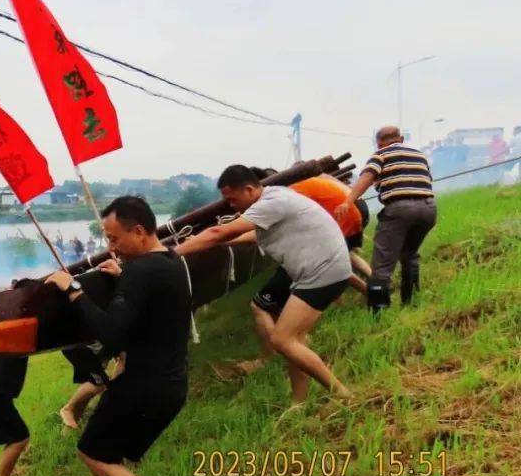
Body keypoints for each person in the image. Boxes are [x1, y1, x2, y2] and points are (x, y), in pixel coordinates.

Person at [45, 196, 191, 476]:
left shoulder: (139, 272)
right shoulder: (169, 261)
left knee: (91, 452)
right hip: (171, 382)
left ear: (139, 231)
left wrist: (74, 289)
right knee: (110, 454)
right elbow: (150, 304)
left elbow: (110, 334)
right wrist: (124, 278)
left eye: (114, 239)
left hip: (144, 385)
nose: (110, 247)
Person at [174, 165, 354, 403]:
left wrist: (172, 253)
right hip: (322, 269)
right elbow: (249, 236)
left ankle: (344, 395)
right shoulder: (274, 197)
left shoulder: (271, 203)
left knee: (283, 339)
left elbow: (219, 232)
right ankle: (299, 401)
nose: (230, 205)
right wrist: (208, 243)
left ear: (249, 189)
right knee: (294, 341)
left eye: (232, 198)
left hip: (323, 272)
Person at [335, 126, 437, 312]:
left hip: (400, 210)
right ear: (401, 138)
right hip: (428, 209)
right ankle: (411, 304)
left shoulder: (380, 154)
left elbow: (366, 177)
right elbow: (423, 179)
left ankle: (378, 313)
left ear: (379, 142)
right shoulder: (419, 155)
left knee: (381, 266)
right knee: (409, 255)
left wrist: (348, 202)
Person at [252, 167, 372, 293]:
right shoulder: (299, 185)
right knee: (345, 257)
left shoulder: (285, 194)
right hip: (352, 210)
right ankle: (376, 283)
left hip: (344, 215)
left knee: (328, 263)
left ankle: (370, 293)